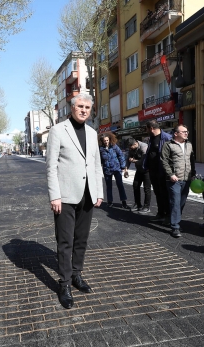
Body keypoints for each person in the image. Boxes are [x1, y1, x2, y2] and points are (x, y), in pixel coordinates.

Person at [46, 93, 103, 309]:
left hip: (87, 194)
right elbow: (51, 166)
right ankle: (65, 284)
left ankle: (77, 275)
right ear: (72, 107)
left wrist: (99, 192)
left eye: (87, 107)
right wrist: (55, 195)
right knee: (65, 241)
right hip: (66, 195)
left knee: (81, 239)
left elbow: (96, 165)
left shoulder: (92, 132)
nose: (84, 110)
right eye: (80, 106)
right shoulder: (58, 130)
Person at [161, 124, 196, 238]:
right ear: (176, 134)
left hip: (187, 178)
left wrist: (193, 173)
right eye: (183, 131)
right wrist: (170, 174)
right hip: (174, 180)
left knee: (181, 202)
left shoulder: (189, 145)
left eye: (187, 131)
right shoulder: (168, 145)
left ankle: (173, 219)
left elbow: (192, 160)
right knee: (175, 202)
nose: (186, 133)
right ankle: (175, 226)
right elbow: (164, 161)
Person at [143, 120, 173, 224]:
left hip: (163, 172)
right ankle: (161, 213)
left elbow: (172, 156)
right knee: (158, 193)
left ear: (151, 128)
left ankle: (168, 216)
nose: (146, 131)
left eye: (146, 128)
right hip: (153, 171)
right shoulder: (151, 138)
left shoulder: (167, 138)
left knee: (165, 194)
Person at [98, 132, 129, 209]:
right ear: (102, 141)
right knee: (108, 186)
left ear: (109, 139)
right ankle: (110, 202)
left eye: (107, 140)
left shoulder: (114, 147)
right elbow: (99, 160)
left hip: (116, 169)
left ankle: (124, 202)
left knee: (120, 185)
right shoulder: (101, 149)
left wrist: (123, 166)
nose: (106, 142)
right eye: (104, 140)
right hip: (107, 170)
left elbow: (121, 155)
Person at [126, 137, 151, 213]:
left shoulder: (144, 147)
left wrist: (134, 161)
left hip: (147, 170)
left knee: (147, 189)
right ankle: (138, 204)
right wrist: (126, 170)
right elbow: (128, 159)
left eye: (131, 147)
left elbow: (144, 160)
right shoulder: (131, 148)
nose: (130, 149)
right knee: (135, 185)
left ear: (135, 144)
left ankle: (146, 206)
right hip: (139, 170)